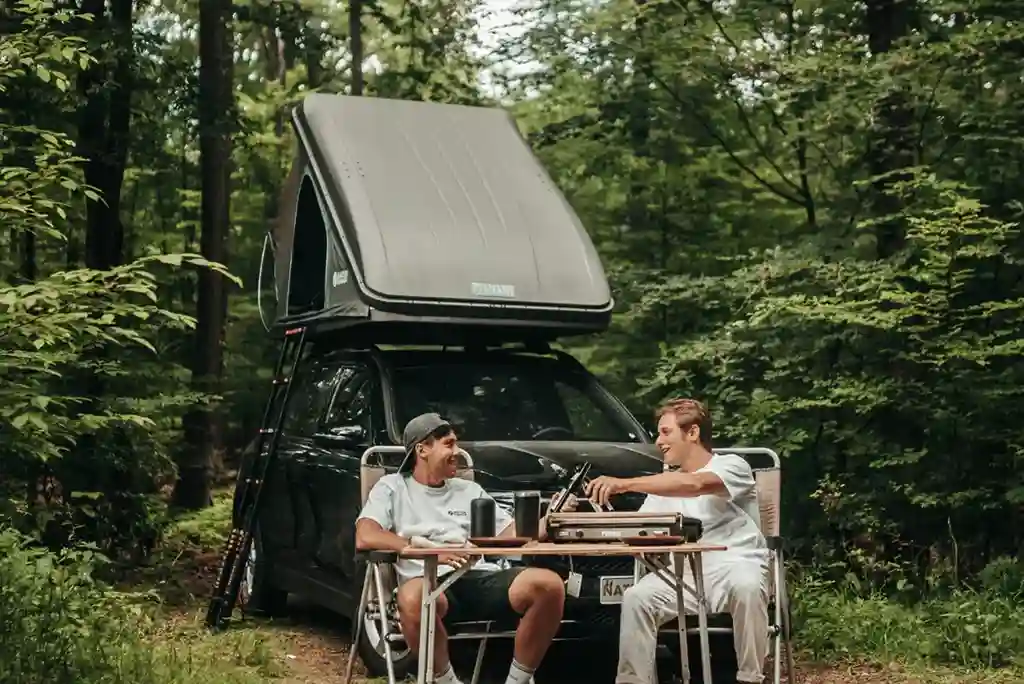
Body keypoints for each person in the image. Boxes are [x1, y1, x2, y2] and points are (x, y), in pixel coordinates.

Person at [355, 412, 566, 684]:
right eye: (449, 444)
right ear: (422, 449)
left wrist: (550, 520)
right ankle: (447, 682)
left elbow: (508, 534)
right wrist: (425, 549)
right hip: (429, 581)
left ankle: (517, 681)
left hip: (479, 575)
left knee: (549, 585)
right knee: (412, 598)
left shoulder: (469, 490)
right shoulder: (392, 488)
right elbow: (365, 535)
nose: (457, 451)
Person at [584, 398, 769, 684]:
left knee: (746, 586)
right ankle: (633, 681)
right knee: (637, 597)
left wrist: (624, 483)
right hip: (682, 578)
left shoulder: (732, 466)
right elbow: (642, 532)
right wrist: (597, 516)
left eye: (665, 432)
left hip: (735, 564)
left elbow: (695, 485)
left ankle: (750, 678)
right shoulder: (662, 485)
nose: (658, 441)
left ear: (692, 433)